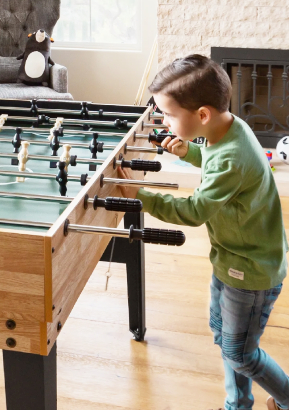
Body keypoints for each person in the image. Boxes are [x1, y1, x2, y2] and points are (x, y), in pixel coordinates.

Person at [118, 54, 288, 410]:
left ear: (202, 115)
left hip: (251, 270)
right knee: (225, 337)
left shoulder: (231, 157)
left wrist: (141, 195)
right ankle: (238, 403)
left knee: (240, 353)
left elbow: (195, 210)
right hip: (231, 258)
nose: (164, 121)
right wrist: (190, 152)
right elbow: (216, 160)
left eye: (168, 114)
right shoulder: (228, 128)